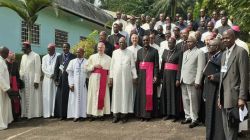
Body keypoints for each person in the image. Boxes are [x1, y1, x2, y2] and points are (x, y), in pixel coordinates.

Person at [218, 30, 249, 140]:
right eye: (223, 38)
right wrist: (219, 97)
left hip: (235, 97)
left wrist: (242, 97)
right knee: (226, 128)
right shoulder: (223, 54)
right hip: (224, 97)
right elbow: (222, 77)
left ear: (234, 38)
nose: (225, 40)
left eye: (227, 38)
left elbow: (244, 77)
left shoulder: (241, 52)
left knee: (232, 129)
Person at [110, 37, 137, 123]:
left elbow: (133, 66)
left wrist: (135, 76)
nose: (121, 44)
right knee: (116, 95)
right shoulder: (114, 52)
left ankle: (124, 115)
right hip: (116, 77)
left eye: (123, 42)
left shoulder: (130, 53)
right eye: (120, 42)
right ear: (118, 43)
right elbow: (112, 66)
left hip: (126, 78)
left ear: (126, 43)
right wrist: (111, 77)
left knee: (125, 95)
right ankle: (116, 115)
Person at [180, 35, 205, 128]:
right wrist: (180, 78)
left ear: (195, 43)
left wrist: (198, 81)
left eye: (190, 41)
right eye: (187, 41)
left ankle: (195, 118)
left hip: (193, 81)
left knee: (193, 101)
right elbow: (183, 67)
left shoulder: (199, 52)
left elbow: (200, 68)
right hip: (184, 80)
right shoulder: (185, 52)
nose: (188, 43)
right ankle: (188, 117)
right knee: (185, 99)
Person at [203, 39, 225, 140]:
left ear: (216, 47)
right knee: (209, 114)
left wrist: (214, 77)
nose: (208, 47)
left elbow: (225, 73)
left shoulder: (223, 56)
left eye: (210, 46)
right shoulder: (211, 56)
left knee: (217, 116)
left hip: (217, 90)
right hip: (209, 88)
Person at [135, 35, 159, 121]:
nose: (145, 42)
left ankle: (148, 115)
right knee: (142, 95)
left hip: (150, 75)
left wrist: (155, 76)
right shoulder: (139, 51)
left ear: (149, 41)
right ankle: (142, 114)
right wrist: (136, 76)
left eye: (147, 40)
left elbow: (156, 65)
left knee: (149, 95)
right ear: (142, 41)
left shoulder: (154, 51)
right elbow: (137, 65)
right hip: (141, 76)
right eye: (144, 40)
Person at [159, 37, 183, 122]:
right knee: (166, 95)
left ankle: (175, 115)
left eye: (171, 43)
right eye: (168, 43)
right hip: (165, 76)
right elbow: (162, 66)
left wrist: (178, 78)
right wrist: (161, 77)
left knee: (174, 95)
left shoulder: (179, 52)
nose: (169, 44)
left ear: (175, 43)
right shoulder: (165, 52)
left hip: (173, 77)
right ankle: (167, 113)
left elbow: (180, 67)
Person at [86, 43, 111, 121]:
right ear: (97, 48)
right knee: (93, 96)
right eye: (99, 47)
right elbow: (86, 67)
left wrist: (110, 80)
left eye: (102, 47)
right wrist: (94, 66)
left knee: (103, 96)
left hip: (104, 78)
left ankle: (101, 114)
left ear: (104, 48)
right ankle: (93, 114)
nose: (100, 49)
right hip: (94, 79)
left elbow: (110, 70)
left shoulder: (109, 58)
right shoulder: (92, 57)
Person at [19, 41, 42, 119]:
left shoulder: (36, 55)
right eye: (22, 49)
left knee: (34, 96)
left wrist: (36, 81)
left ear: (29, 48)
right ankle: (25, 114)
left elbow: (37, 69)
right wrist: (20, 78)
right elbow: (21, 68)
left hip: (32, 79)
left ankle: (34, 114)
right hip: (25, 79)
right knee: (25, 96)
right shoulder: (23, 56)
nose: (23, 50)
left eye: (24, 49)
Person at [54, 43, 76, 120]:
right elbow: (56, 68)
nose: (65, 48)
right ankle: (61, 115)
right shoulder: (59, 57)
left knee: (68, 98)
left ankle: (68, 114)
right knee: (60, 98)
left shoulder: (73, 57)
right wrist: (56, 79)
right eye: (63, 47)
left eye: (66, 47)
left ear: (69, 48)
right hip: (61, 80)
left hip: (69, 80)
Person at [66, 48, 88, 122]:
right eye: (77, 52)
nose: (78, 53)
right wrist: (71, 84)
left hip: (83, 85)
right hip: (74, 85)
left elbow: (89, 73)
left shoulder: (87, 62)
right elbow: (70, 74)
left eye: (79, 52)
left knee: (83, 99)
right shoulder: (72, 62)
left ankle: (82, 115)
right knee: (74, 100)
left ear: (83, 53)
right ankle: (75, 115)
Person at [42, 43, 59, 118]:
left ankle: (54, 112)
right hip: (47, 79)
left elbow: (60, 66)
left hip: (55, 79)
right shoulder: (44, 57)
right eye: (48, 50)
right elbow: (43, 68)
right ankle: (47, 113)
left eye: (50, 50)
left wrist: (55, 75)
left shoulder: (58, 55)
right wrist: (50, 75)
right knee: (47, 95)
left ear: (54, 49)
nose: (48, 51)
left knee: (55, 95)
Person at [0, 46, 13, 130]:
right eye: (7, 53)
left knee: (4, 105)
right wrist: (7, 88)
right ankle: (1, 124)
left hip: (3, 87)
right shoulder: (0, 62)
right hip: (2, 88)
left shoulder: (2, 60)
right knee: (1, 106)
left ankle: (5, 121)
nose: (8, 54)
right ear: (2, 53)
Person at [6, 51, 22, 121]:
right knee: (8, 100)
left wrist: (18, 83)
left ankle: (16, 116)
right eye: (11, 58)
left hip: (15, 83)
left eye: (13, 58)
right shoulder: (4, 63)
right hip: (7, 82)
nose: (12, 60)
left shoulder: (15, 64)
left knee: (16, 99)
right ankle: (10, 117)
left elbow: (17, 74)